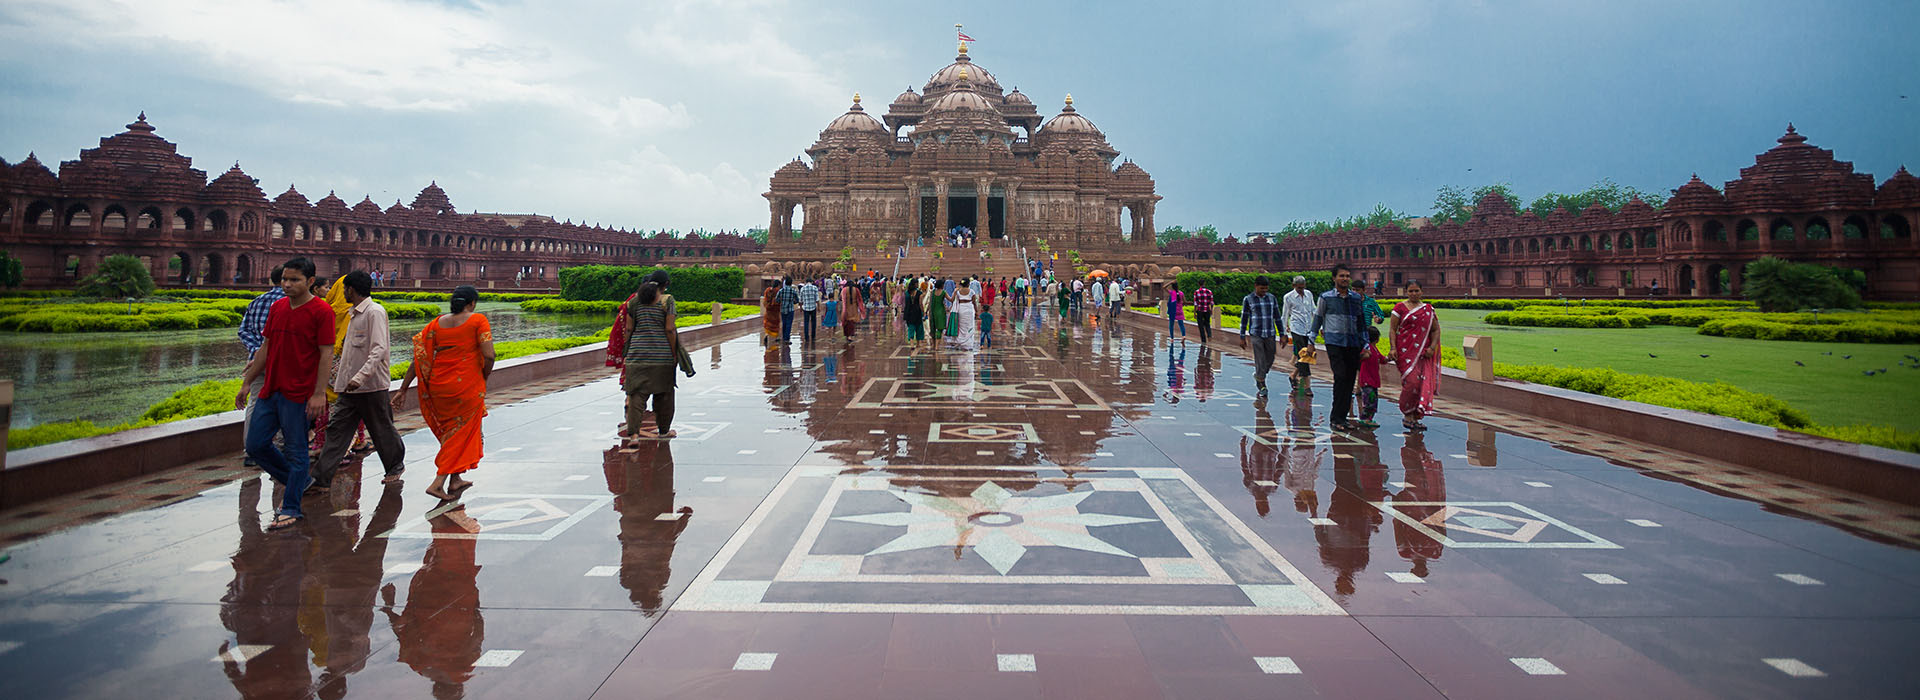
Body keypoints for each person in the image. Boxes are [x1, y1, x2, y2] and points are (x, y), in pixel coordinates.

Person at [233, 257, 333, 531]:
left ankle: (290, 507)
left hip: (298, 392)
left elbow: (326, 354)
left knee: (296, 450)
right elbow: (265, 347)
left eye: (294, 280)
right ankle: (298, 481)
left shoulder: (321, 311)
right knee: (255, 445)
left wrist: (318, 394)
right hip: (271, 388)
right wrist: (247, 381)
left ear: (310, 281)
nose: (287, 285)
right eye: (284, 280)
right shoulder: (277, 307)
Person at [392, 286, 494, 501]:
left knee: (452, 432)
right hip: (466, 385)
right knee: (460, 434)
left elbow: (419, 358)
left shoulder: (436, 324)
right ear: (472, 303)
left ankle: (455, 478)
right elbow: (489, 355)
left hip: (439, 385)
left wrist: (403, 388)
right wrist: (483, 376)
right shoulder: (478, 320)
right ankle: (438, 483)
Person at [312, 271, 406, 488]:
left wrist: (361, 376)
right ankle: (321, 478)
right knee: (336, 430)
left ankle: (395, 465)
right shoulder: (354, 313)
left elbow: (379, 348)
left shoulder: (374, 312)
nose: (342, 292)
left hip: (370, 386)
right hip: (349, 387)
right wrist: (345, 381)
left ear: (351, 289)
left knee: (381, 428)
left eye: (344, 289)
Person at [622, 271, 697, 443]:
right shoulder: (667, 301)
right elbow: (670, 329)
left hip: (637, 355)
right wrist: (673, 353)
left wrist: (628, 351)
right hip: (661, 355)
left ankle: (633, 435)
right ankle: (663, 431)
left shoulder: (634, 301)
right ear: (665, 285)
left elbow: (628, 330)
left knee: (636, 395)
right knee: (664, 395)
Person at [238, 266, 287, 467]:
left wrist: (258, 351)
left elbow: (243, 331)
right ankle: (282, 448)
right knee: (287, 402)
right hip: (283, 361)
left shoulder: (257, 301)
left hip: (256, 363)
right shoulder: (289, 303)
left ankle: (250, 451)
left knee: (254, 404)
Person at [1313, 264, 1368, 430]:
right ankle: (1336, 418)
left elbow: (1360, 322)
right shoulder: (1326, 297)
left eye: (1347, 276)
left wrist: (1365, 344)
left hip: (1352, 343)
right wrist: (1311, 341)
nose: (1345, 279)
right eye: (1341, 276)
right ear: (1334, 278)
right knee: (1340, 376)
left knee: (1350, 379)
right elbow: (1318, 319)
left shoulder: (1355, 298)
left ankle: (1342, 418)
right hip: (1334, 342)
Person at [1390, 279, 1442, 431]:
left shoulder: (1428, 309)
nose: (1414, 294)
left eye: (1416, 291)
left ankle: (1416, 416)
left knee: (1421, 384)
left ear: (1422, 291)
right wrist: (1393, 348)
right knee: (1411, 382)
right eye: (1411, 291)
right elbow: (1393, 329)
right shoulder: (1399, 308)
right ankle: (1407, 413)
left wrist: (1432, 347)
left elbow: (1435, 330)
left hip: (1423, 353)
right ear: (1406, 292)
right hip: (1405, 351)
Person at [1238, 275, 1286, 397]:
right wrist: (1242, 336)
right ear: (1256, 286)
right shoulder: (1248, 299)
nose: (1264, 291)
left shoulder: (1271, 298)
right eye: (1262, 288)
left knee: (1270, 357)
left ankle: (1259, 375)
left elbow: (1277, 317)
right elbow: (1244, 318)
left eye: (1266, 288)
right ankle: (1262, 384)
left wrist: (1282, 334)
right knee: (1260, 358)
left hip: (1270, 332)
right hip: (1256, 333)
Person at [1281, 275, 1318, 396]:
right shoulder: (1288, 297)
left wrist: (1319, 327)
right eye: (1299, 288)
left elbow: (1313, 310)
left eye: (1302, 288)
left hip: (1308, 328)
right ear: (1294, 286)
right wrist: (1284, 333)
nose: (1301, 290)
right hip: (1296, 328)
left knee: (1308, 355)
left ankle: (1293, 375)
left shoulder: (1309, 294)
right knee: (1303, 354)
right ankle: (1307, 386)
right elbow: (1285, 315)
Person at [1355, 325, 1385, 428]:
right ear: (1377, 339)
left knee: (1373, 400)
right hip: (1367, 380)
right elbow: (1359, 358)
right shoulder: (1367, 349)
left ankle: (1369, 418)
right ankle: (1365, 418)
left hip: (1373, 380)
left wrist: (1390, 358)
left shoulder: (1375, 350)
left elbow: (1382, 359)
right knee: (1369, 400)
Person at [952, 283, 979, 350]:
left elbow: (954, 301)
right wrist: (976, 312)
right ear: (968, 283)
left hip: (961, 309)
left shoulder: (958, 292)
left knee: (961, 326)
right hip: (969, 309)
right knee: (969, 325)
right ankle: (967, 342)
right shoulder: (972, 291)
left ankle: (960, 341)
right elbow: (974, 302)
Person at [839, 275, 864, 341]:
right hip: (854, 308)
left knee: (846, 322)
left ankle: (847, 335)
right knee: (852, 322)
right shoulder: (856, 289)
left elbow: (840, 298)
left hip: (846, 308)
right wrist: (861, 308)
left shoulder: (844, 290)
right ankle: (850, 335)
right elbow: (860, 299)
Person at [775, 276, 799, 344]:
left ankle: (784, 337)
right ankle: (786, 338)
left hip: (783, 309)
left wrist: (781, 301)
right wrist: (793, 302)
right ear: (791, 283)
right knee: (789, 323)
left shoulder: (781, 290)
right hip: (790, 309)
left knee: (784, 323)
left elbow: (777, 300)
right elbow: (797, 300)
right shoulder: (793, 291)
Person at [796, 276, 820, 343]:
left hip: (805, 308)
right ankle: (813, 336)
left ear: (806, 282)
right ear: (812, 282)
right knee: (813, 322)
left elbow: (800, 300)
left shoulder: (803, 289)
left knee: (806, 322)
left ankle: (806, 337)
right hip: (813, 307)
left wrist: (800, 308)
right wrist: (819, 307)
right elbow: (817, 299)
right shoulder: (814, 288)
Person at [1192, 279, 1215, 345]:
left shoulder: (1197, 292)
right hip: (1207, 309)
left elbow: (1195, 303)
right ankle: (1209, 335)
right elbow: (1212, 302)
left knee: (1201, 325)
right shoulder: (1209, 291)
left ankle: (1203, 340)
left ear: (1199, 284)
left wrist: (1194, 313)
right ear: (1204, 283)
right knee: (1207, 323)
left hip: (1200, 310)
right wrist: (1211, 310)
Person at [903, 281, 925, 348]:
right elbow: (920, 304)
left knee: (911, 327)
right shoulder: (919, 293)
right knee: (919, 327)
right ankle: (918, 343)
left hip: (908, 312)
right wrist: (923, 312)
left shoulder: (907, 293)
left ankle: (912, 344)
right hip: (917, 312)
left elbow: (905, 303)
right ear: (915, 284)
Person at [759, 279, 781, 346]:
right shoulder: (778, 291)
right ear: (778, 285)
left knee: (768, 323)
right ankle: (776, 337)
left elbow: (765, 300)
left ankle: (767, 334)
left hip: (768, 310)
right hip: (775, 310)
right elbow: (779, 300)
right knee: (775, 324)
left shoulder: (767, 290)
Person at [929, 278, 948, 344]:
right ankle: (937, 345)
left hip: (933, 311)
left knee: (933, 328)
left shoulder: (933, 292)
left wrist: (928, 312)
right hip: (941, 312)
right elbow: (951, 299)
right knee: (940, 328)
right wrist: (955, 293)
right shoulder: (943, 292)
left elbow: (930, 302)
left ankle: (934, 344)